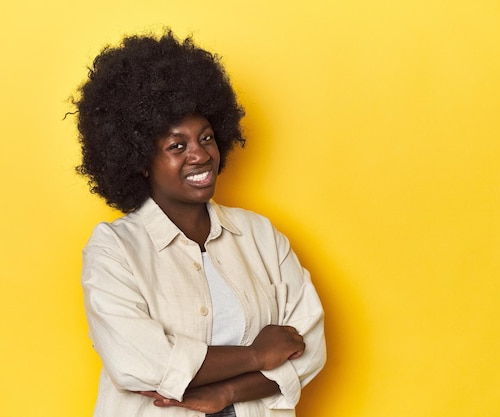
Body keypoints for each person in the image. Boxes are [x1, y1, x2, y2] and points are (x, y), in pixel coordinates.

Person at [74, 29, 326, 417]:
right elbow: (140, 362)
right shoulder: (115, 249)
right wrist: (257, 354)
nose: (200, 155)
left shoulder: (260, 236)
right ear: (140, 160)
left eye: (206, 138)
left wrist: (226, 392)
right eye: (177, 146)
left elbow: (308, 346)